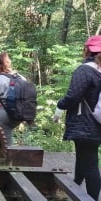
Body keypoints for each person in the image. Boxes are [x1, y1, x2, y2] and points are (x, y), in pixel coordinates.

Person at [55, 35, 101, 201]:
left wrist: (59, 105)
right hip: (96, 123)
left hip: (85, 122)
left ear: (88, 50)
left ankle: (91, 198)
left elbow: (73, 96)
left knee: (90, 164)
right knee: (84, 158)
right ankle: (74, 188)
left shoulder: (85, 70)